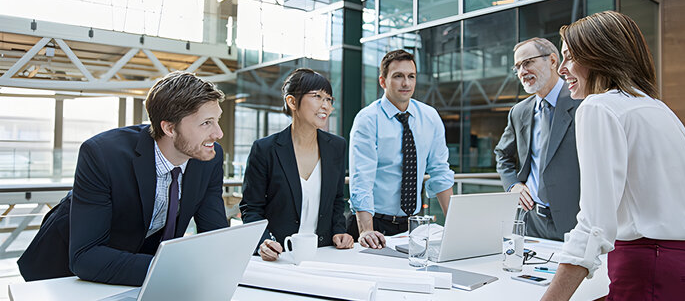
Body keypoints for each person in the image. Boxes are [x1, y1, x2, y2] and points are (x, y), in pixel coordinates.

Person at [541, 11, 685, 301]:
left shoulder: (598, 107)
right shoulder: (658, 108)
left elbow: (594, 224)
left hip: (647, 268)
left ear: (598, 56)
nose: (562, 69)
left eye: (570, 57)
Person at [17, 72, 229, 286]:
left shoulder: (209, 157)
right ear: (169, 128)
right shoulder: (102, 154)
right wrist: (173, 270)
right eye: (206, 123)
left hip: (136, 265)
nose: (218, 133)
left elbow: (214, 235)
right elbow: (86, 257)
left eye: (217, 120)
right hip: (65, 271)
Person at [239, 68, 353, 261]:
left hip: (323, 254)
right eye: (317, 96)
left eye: (329, 99)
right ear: (292, 101)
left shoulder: (336, 146)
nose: (325, 105)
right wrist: (263, 242)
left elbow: (336, 199)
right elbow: (251, 208)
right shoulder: (265, 149)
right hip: (279, 254)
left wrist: (339, 231)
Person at [347, 49, 454, 249]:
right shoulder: (367, 119)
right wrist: (367, 231)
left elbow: (440, 172)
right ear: (382, 81)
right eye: (398, 76)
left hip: (413, 226)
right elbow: (362, 179)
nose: (406, 83)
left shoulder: (430, 117)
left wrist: (457, 226)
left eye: (411, 76)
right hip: (374, 223)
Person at [494, 37, 582, 241]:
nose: (522, 72)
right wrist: (512, 185)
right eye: (517, 67)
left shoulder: (582, 103)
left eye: (527, 62)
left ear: (552, 61)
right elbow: (502, 154)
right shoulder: (519, 111)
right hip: (529, 221)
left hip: (574, 222)